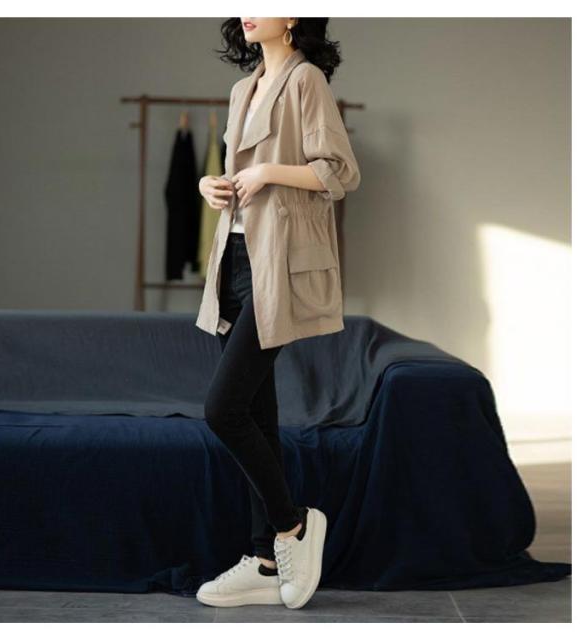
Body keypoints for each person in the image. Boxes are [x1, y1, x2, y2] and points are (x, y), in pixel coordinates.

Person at [195, 17, 360, 610]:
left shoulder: (306, 80)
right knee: (257, 416)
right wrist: (211, 185)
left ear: (293, 16)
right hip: (235, 256)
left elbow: (340, 172)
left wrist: (267, 172)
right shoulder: (244, 89)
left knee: (223, 409)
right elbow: (236, 179)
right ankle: (266, 561)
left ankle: (293, 526)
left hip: (279, 262)